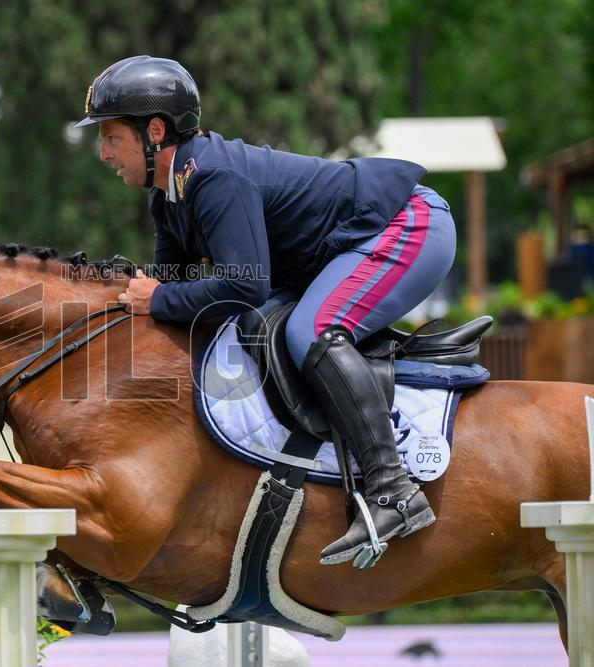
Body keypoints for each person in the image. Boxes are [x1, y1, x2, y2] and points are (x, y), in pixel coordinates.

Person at [75, 55, 457, 566]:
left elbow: (241, 285)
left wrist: (158, 296)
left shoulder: (213, 178)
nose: (102, 153)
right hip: (358, 242)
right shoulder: (167, 196)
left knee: (311, 332)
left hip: (406, 224)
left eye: (110, 137)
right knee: (255, 330)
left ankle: (393, 490)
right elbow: (178, 286)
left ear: (155, 132)